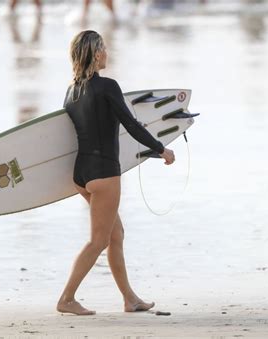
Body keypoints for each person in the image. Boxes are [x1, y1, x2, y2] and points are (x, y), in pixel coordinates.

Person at [57, 30, 176, 316]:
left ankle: (130, 299)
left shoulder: (70, 92)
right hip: (104, 174)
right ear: (96, 53)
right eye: (104, 49)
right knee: (98, 240)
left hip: (81, 175)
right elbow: (131, 125)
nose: (107, 53)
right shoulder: (108, 86)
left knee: (116, 234)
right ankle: (67, 298)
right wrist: (161, 149)